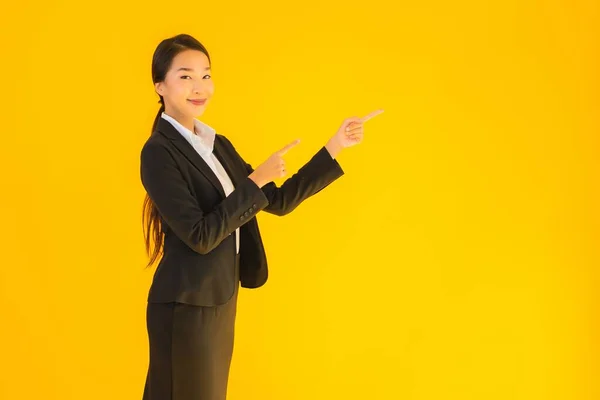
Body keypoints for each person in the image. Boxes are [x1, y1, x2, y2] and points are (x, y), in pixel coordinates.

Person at [140, 33, 381, 400]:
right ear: (160, 85)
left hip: (219, 297)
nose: (199, 86)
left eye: (206, 75)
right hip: (186, 304)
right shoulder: (158, 152)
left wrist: (335, 147)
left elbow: (278, 201)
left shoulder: (216, 145)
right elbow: (201, 235)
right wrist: (255, 179)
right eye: (186, 76)